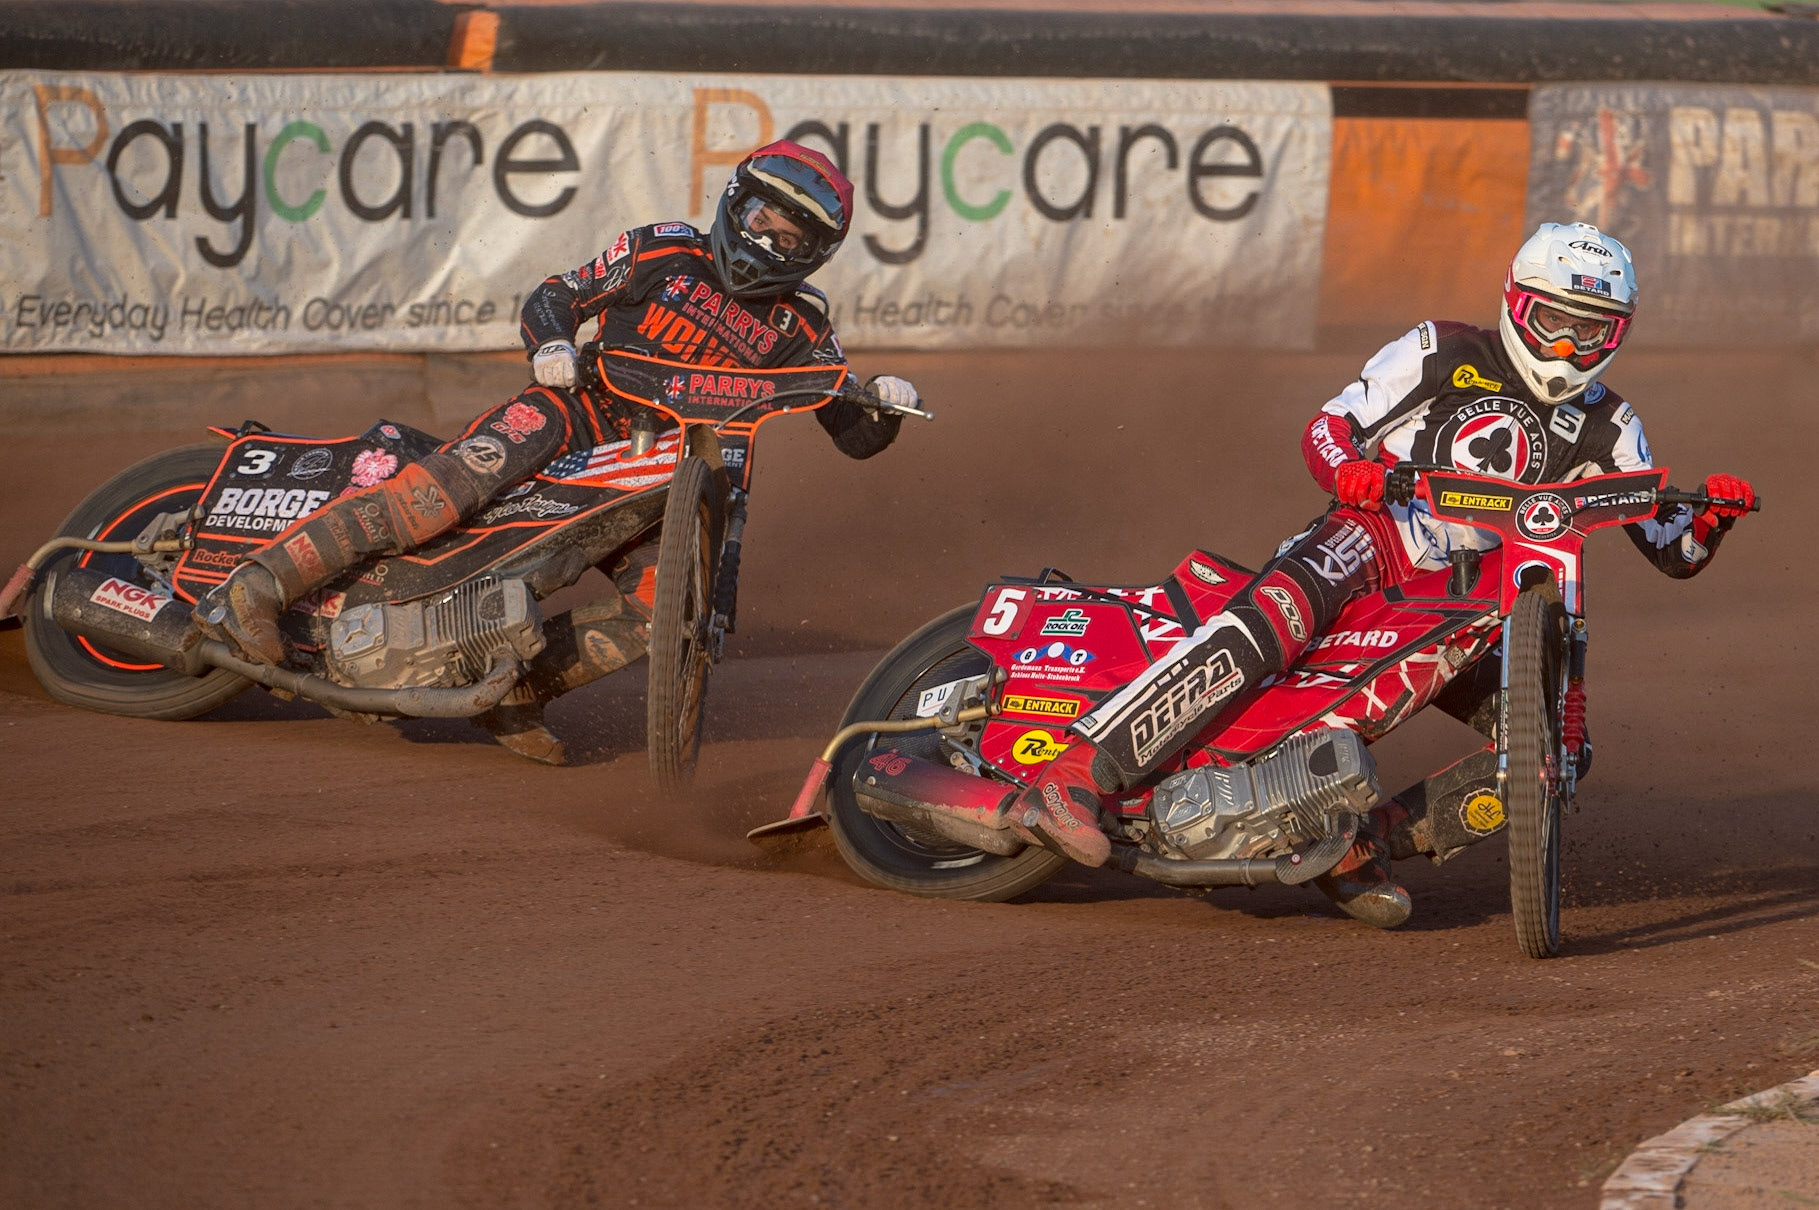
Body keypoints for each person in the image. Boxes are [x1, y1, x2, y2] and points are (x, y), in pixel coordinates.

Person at [1012, 221, 1756, 927]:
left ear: (1614, 335)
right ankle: (1079, 770)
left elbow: (1672, 551)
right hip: (1375, 532)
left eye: (1588, 330)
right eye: (1552, 320)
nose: (1564, 344)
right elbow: (1328, 427)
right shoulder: (1441, 348)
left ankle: (1364, 839)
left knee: (1557, 750)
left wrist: (1709, 520)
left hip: (1472, 596)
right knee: (1278, 616)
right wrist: (1353, 476)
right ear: (1515, 303)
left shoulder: (1612, 426)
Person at [199, 141, 916, 763]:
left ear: (815, 253)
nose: (768, 243)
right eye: (763, 220)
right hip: (575, 414)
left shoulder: (803, 323)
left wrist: (882, 404)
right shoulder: (663, 247)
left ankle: (512, 697)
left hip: (665, 476)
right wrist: (550, 344)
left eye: (791, 239)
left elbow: (850, 432)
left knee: (654, 612)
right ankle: (257, 587)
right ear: (737, 204)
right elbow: (558, 294)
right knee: (438, 495)